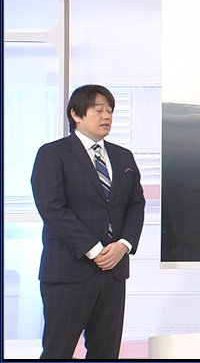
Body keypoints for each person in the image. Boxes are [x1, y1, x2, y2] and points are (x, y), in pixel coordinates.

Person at [31, 84, 146, 359]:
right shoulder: (53, 154)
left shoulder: (123, 156)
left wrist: (124, 245)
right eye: (98, 110)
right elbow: (52, 208)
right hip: (69, 272)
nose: (106, 116)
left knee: (106, 352)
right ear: (75, 114)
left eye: (110, 111)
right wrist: (94, 250)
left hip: (113, 273)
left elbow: (136, 204)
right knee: (58, 351)